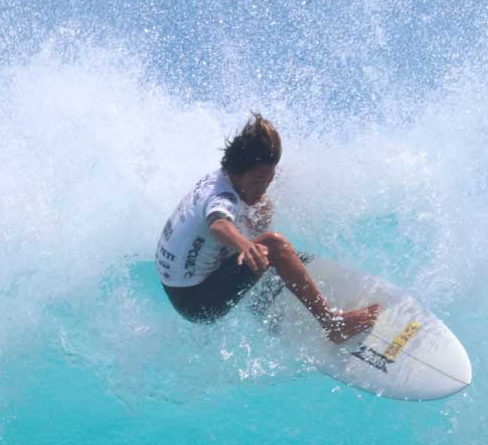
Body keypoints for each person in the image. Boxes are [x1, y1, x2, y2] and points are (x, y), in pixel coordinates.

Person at [156, 114, 380, 342]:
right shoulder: (221, 198)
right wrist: (246, 246)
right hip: (196, 301)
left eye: (268, 180)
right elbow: (218, 224)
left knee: (263, 206)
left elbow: (252, 191)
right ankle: (332, 324)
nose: (262, 188)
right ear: (238, 171)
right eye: (258, 181)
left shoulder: (225, 175)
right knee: (274, 245)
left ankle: (261, 271)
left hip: (181, 281)